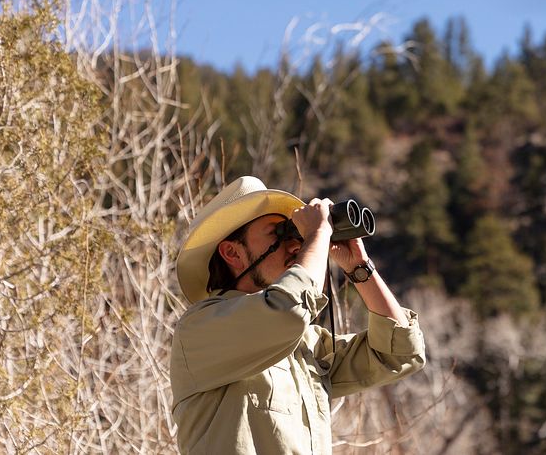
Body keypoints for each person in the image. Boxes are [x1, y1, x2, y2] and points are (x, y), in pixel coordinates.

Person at [171, 176, 426, 455]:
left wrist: (359, 267)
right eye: (278, 234)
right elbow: (287, 310)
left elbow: (400, 353)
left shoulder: (307, 344)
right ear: (232, 252)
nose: (295, 246)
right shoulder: (200, 330)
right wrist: (318, 235)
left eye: (296, 236)